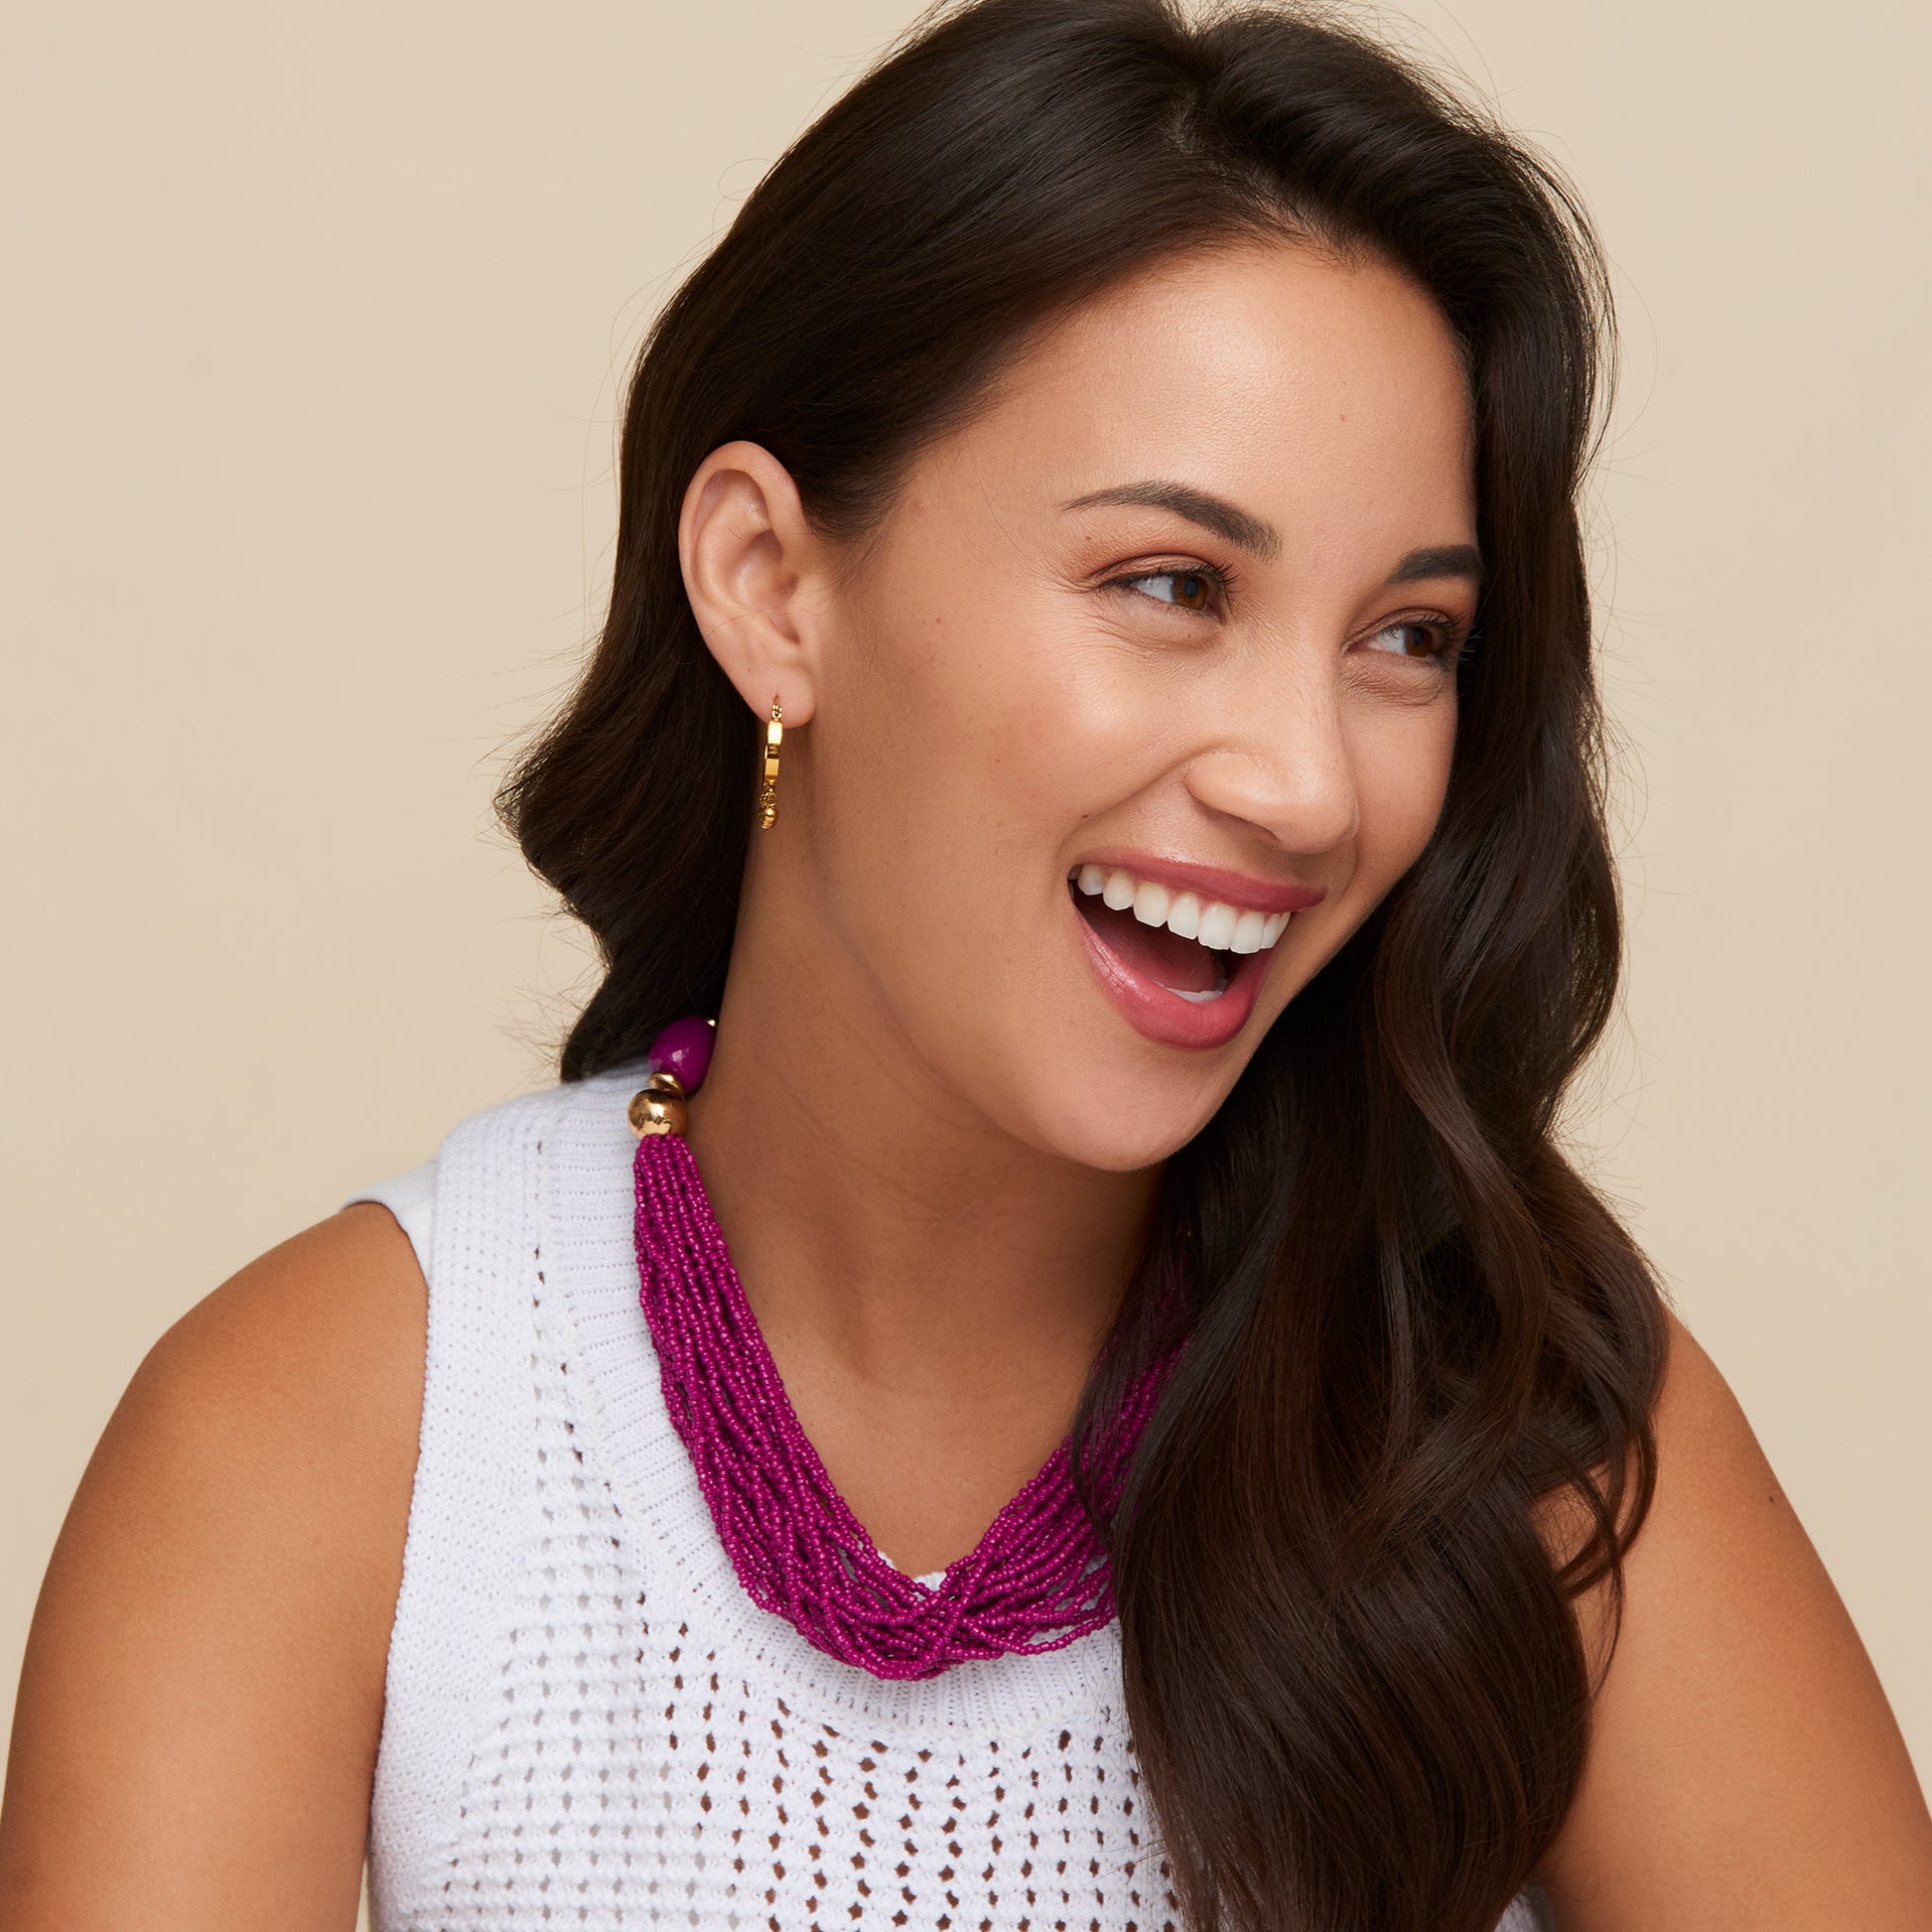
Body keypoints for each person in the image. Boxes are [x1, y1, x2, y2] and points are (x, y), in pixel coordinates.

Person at [3, 1, 1929, 1927]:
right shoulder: (333, 1445)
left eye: (1406, 636)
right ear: (771, 584)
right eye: (1171, 585)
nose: (1307, 782)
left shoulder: (1521, 1429)